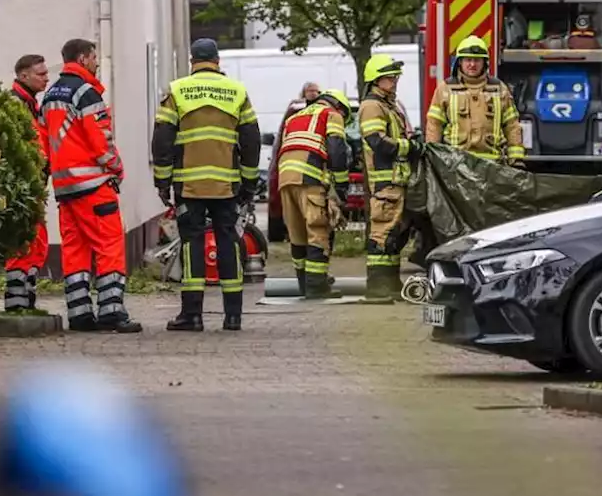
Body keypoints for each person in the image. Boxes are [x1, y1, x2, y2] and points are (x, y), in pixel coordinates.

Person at [152, 38, 260, 331]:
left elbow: (162, 138)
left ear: (192, 61)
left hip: (189, 185)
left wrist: (162, 180)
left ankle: (192, 315)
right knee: (229, 241)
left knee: (193, 244)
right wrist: (249, 183)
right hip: (227, 185)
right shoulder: (237, 91)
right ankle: (233, 316)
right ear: (217, 61)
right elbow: (250, 141)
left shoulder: (177, 90)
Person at [40, 39, 142, 333]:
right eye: (94, 58)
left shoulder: (50, 95)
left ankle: (80, 314)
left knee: (75, 250)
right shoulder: (87, 92)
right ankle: (111, 312)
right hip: (93, 184)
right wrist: (116, 167)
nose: (97, 63)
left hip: (65, 187)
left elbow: (47, 141)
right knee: (109, 244)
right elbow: (101, 140)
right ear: (83, 58)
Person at [275, 88, 352, 299]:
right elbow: (337, 148)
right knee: (318, 229)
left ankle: (304, 284)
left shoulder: (295, 117)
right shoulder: (332, 114)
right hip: (309, 177)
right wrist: (341, 186)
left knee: (297, 234)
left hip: (285, 178)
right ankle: (317, 287)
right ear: (339, 106)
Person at [358, 54, 421, 303]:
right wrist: (409, 147)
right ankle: (377, 287)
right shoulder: (373, 106)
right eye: (389, 77)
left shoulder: (389, 106)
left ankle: (391, 284)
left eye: (395, 77)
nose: (394, 81)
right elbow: (377, 142)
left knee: (395, 234)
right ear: (376, 79)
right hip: (385, 183)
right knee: (382, 234)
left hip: (396, 181)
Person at [424, 36, 525, 166]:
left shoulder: (499, 89)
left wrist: (516, 159)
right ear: (459, 62)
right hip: (456, 166)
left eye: (477, 60)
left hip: (491, 166)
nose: (472, 64)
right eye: (468, 60)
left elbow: (511, 125)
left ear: (484, 63)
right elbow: (434, 125)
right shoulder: (446, 89)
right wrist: (433, 159)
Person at [4, 54, 52, 312]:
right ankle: (17, 303)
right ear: (24, 76)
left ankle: (26, 300)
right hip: (21, 188)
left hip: (32, 187)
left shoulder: (29, 104)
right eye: (41, 74)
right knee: (22, 243)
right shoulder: (15, 105)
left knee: (36, 242)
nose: (46, 78)